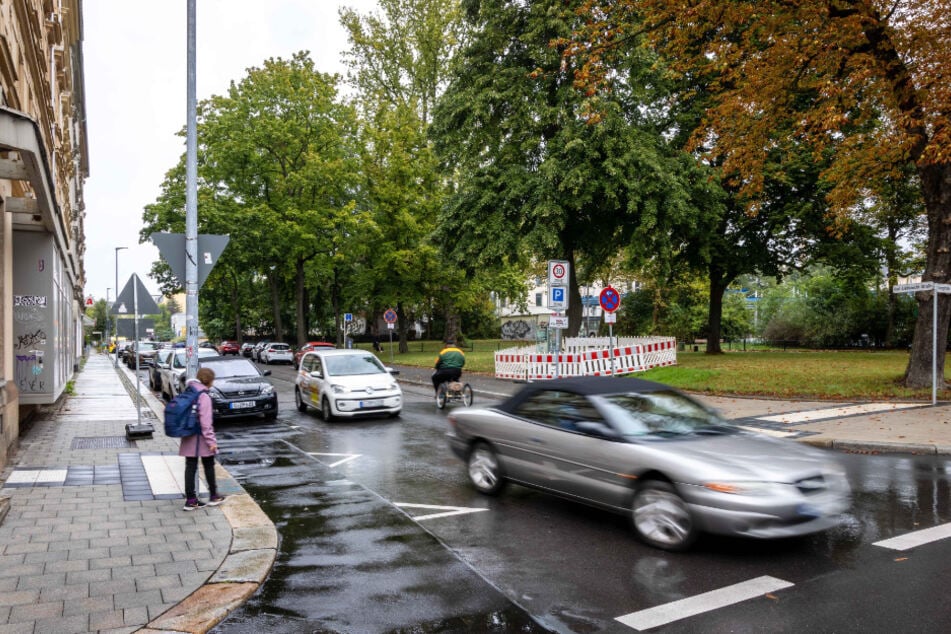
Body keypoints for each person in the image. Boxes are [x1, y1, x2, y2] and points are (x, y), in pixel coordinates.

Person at [180, 367, 225, 510]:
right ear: (210, 381)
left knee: (190, 466)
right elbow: (206, 423)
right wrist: (212, 442)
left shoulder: (188, 391)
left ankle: (191, 500)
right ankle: (213, 496)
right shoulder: (204, 396)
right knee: (209, 465)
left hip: (187, 434)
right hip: (201, 437)